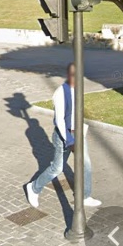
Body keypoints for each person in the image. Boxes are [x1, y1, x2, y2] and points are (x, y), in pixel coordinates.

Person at [25, 63, 100, 209]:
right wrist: (69, 141)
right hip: (64, 136)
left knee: (86, 164)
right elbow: (60, 121)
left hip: (78, 132)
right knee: (57, 168)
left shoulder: (78, 89)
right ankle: (33, 188)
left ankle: (85, 196)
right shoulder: (60, 93)